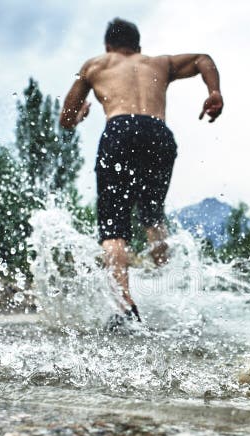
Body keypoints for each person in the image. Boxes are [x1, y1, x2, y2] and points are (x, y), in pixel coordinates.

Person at [59, 17, 223, 327]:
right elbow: (204, 59)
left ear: (108, 46)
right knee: (152, 214)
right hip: (158, 134)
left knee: (113, 228)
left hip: (120, 130)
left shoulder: (96, 65)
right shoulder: (159, 62)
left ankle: (125, 307)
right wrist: (214, 92)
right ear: (138, 46)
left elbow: (65, 118)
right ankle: (170, 288)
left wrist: (78, 115)